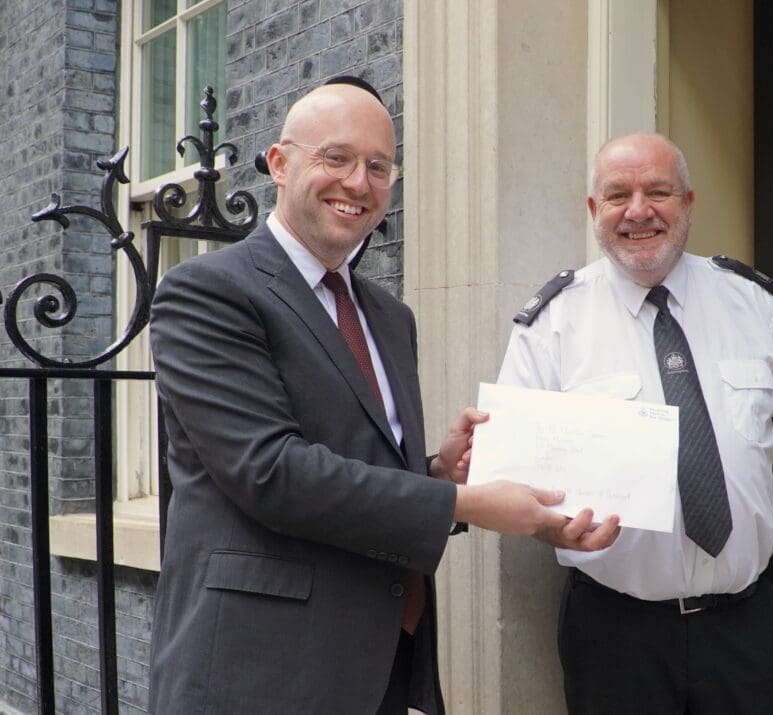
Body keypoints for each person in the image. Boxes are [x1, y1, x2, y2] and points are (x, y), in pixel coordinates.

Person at [146, 76, 616, 714]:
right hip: (259, 669)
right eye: (336, 158)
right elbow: (271, 472)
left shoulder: (390, 316)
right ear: (280, 164)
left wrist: (438, 471)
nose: (358, 183)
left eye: (378, 167)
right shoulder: (207, 291)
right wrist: (467, 502)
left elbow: (359, 467)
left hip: (380, 662)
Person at [497, 132, 773, 714]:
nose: (638, 211)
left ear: (688, 202)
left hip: (743, 629)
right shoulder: (552, 324)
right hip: (615, 633)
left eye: (658, 192)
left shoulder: (753, 303)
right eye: (618, 195)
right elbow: (516, 475)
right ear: (594, 209)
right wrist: (553, 529)